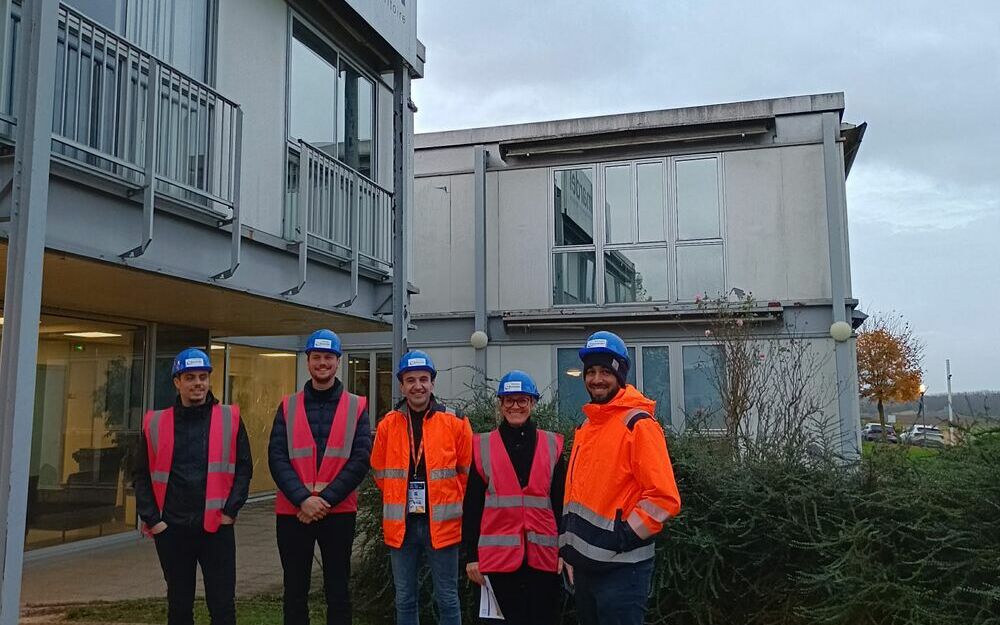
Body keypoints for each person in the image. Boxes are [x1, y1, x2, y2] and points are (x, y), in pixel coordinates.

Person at [560, 331, 682, 625]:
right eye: (590, 372)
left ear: (620, 375)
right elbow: (576, 496)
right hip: (585, 569)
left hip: (623, 572)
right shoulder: (587, 426)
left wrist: (623, 537)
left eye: (605, 371)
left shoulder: (638, 425)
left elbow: (664, 499)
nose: (596, 379)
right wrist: (567, 551)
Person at [134, 348, 252, 625]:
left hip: (216, 528)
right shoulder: (155, 423)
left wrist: (230, 512)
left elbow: (243, 468)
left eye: (203, 376)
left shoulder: (230, 418)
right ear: (177, 381)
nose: (198, 383)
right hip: (172, 529)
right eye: (190, 377)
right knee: (178, 606)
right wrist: (155, 521)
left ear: (210, 380)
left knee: (222, 607)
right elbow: (141, 475)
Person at [268, 329, 372, 625]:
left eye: (329, 357)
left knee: (338, 590)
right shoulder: (287, 406)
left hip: (337, 511)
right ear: (308, 361)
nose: (322, 363)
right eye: (317, 357)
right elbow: (277, 457)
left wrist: (323, 500)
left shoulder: (356, 406)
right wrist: (303, 499)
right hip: (293, 512)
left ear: (338, 361)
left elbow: (360, 458)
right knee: (295, 591)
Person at [371, 350, 473, 625]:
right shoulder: (387, 425)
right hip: (401, 525)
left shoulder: (456, 421)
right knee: (405, 599)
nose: (418, 386)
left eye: (424, 379)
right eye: (411, 380)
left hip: (442, 525)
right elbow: (380, 472)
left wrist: (449, 500)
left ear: (433, 383)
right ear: (401, 385)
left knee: (448, 598)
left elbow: (466, 472)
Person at [463, 370, 566, 624]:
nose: (515, 406)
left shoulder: (552, 445)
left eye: (522, 400)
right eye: (509, 400)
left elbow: (562, 503)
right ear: (500, 404)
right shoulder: (482, 446)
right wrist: (471, 557)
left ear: (532, 403)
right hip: (496, 562)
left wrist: (565, 552)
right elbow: (472, 506)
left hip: (543, 559)